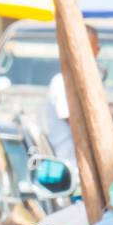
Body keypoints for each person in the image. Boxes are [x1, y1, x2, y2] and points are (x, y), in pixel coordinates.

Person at [44, 24, 101, 163]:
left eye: (91, 50)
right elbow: (77, 123)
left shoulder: (92, 83)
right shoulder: (62, 83)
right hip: (70, 165)